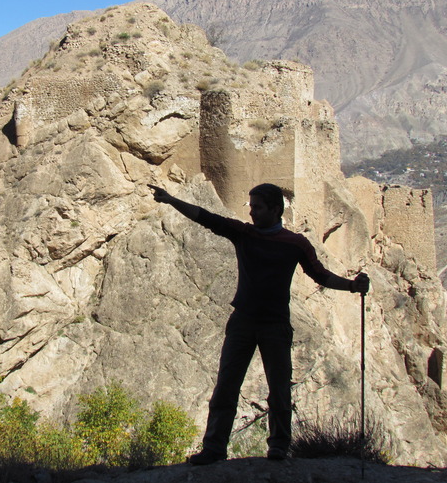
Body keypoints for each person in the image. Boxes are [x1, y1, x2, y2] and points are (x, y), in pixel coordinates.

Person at [148, 183, 369, 464]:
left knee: (278, 388)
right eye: (250, 207)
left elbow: (320, 275)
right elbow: (204, 216)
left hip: (275, 325)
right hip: (243, 321)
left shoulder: (295, 244)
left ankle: (278, 446)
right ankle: (214, 448)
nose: (251, 212)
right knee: (226, 386)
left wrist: (351, 286)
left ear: (275, 210)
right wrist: (170, 200)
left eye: (257, 207)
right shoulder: (243, 233)